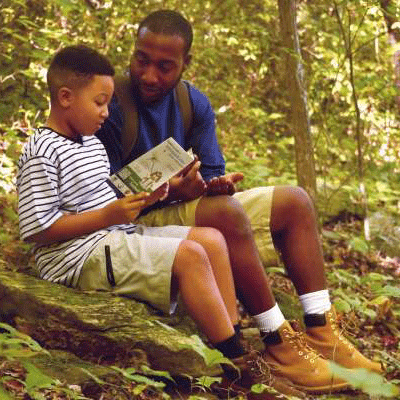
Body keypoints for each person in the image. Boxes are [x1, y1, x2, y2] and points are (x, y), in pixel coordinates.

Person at [96, 9, 383, 392]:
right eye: (141, 60)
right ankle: (277, 342)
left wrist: (215, 185)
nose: (149, 75)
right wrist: (173, 193)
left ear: (186, 64)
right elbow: (98, 198)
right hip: (132, 223)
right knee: (225, 213)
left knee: (295, 201)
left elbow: (214, 170)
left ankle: (321, 330)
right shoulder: (108, 103)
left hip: (181, 208)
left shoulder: (192, 104)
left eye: (165, 67)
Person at [16, 44, 325, 399]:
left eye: (108, 103)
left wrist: (154, 195)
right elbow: (38, 229)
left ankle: (236, 349)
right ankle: (241, 370)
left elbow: (106, 201)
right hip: (74, 257)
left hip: (113, 235)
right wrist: (108, 215)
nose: (105, 113)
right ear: (66, 97)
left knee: (211, 239)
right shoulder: (41, 149)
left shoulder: (90, 144)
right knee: (191, 255)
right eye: (99, 102)